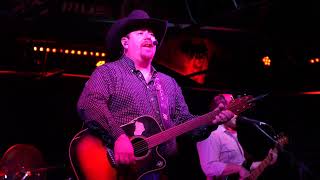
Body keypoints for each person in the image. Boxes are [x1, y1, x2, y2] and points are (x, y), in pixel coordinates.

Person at [76, 9, 234, 180]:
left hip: (157, 170)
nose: (149, 37)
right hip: (116, 170)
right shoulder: (109, 72)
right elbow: (89, 104)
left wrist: (211, 121)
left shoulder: (169, 83)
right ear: (125, 42)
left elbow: (183, 121)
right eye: (140, 33)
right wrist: (119, 137)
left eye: (151, 34)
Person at [196, 94, 278, 180]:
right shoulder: (210, 134)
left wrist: (266, 161)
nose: (237, 115)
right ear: (220, 111)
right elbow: (209, 167)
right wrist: (238, 169)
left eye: (238, 110)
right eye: (233, 110)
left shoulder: (235, 133)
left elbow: (243, 166)